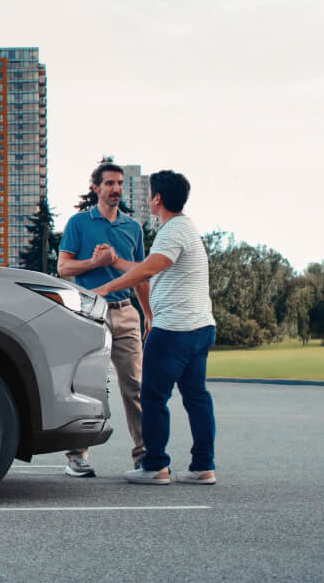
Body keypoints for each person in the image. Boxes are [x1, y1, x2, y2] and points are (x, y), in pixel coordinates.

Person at [89, 169, 217, 485]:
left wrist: (105, 288)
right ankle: (203, 467)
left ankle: (155, 465)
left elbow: (149, 269)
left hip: (175, 330)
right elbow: (150, 267)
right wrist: (116, 260)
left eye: (149, 194)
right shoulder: (185, 229)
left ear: (157, 199)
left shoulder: (172, 231)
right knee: (196, 397)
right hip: (199, 327)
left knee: (152, 396)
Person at [55, 160, 149, 477]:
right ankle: (76, 456)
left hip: (126, 313)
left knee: (135, 387)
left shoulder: (132, 228)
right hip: (90, 313)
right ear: (96, 188)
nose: (116, 189)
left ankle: (144, 455)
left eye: (119, 183)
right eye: (109, 183)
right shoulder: (79, 223)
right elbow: (63, 269)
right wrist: (93, 262)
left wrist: (148, 314)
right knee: (86, 385)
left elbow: (141, 274)